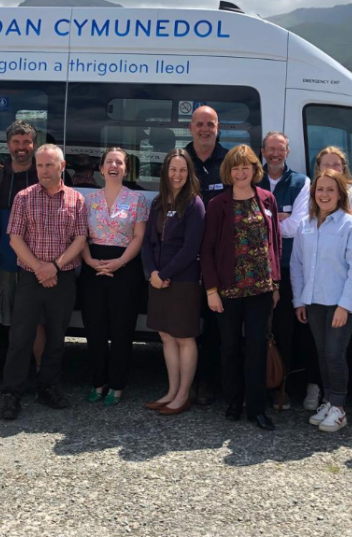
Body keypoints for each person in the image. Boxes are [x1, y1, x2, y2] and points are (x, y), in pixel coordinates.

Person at [0, 144, 88, 421]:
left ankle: (47, 386)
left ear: (62, 166)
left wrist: (55, 267)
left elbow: (80, 239)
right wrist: (40, 268)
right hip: (30, 276)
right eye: (40, 165)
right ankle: (12, 392)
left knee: (57, 337)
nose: (44, 170)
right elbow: (14, 238)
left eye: (50, 165)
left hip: (62, 277)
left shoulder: (76, 199)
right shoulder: (24, 198)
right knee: (20, 335)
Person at [200, 145, 282, 431]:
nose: (241, 172)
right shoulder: (218, 204)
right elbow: (207, 250)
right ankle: (234, 401)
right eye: (235, 167)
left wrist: (276, 284)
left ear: (254, 169)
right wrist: (211, 290)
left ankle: (257, 408)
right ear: (228, 172)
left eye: (246, 166)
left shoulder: (268, 199)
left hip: (260, 289)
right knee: (230, 347)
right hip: (228, 290)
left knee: (257, 348)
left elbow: (275, 245)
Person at [292, 169, 352, 432]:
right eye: (320, 189)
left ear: (340, 194)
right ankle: (327, 400)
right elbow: (297, 265)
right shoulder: (306, 225)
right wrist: (299, 301)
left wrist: (345, 306)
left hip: (342, 300)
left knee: (335, 353)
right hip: (314, 299)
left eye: (330, 190)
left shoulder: (350, 224)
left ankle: (339, 407)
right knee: (322, 352)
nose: (324, 194)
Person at [81, 148, 149, 406]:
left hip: (125, 268)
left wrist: (120, 262)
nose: (114, 166)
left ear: (126, 169)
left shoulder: (137, 200)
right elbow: (80, 235)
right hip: (93, 268)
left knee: (122, 330)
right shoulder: (88, 200)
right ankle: (98, 383)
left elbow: (139, 237)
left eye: (119, 162)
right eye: (109, 161)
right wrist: (88, 260)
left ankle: (117, 386)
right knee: (94, 329)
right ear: (101, 168)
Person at [141, 149, 206, 416]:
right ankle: (171, 391)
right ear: (165, 173)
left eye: (182, 170)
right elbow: (147, 242)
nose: (177, 175)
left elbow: (191, 249)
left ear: (188, 173)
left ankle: (182, 396)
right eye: (172, 170)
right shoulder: (158, 202)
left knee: (184, 337)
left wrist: (164, 274)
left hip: (183, 282)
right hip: (158, 280)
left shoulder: (195, 204)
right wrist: (152, 273)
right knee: (166, 336)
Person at [256, 132, 313, 410]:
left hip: (288, 269)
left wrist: (264, 221)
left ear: (288, 151)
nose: (275, 154)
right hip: (256, 270)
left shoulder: (301, 183)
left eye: (280, 149)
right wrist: (280, 220)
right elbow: (245, 222)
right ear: (263, 151)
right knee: (257, 330)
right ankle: (258, 387)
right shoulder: (253, 178)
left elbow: (298, 227)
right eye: (270, 149)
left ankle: (282, 389)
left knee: (284, 331)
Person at [0, 121, 46, 374]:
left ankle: (41, 371)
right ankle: (17, 372)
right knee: (12, 321)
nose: (21, 148)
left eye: (26, 142)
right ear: (8, 144)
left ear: (34, 145)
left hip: (40, 260)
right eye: (16, 142)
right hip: (8, 260)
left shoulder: (43, 173)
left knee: (39, 322)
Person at [185, 105, 229, 406]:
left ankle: (208, 382)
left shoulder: (229, 161)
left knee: (215, 325)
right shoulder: (179, 160)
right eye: (199, 124)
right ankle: (185, 381)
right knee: (186, 322)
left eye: (209, 124)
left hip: (219, 257)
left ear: (218, 128)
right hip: (185, 257)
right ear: (191, 128)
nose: (204, 129)